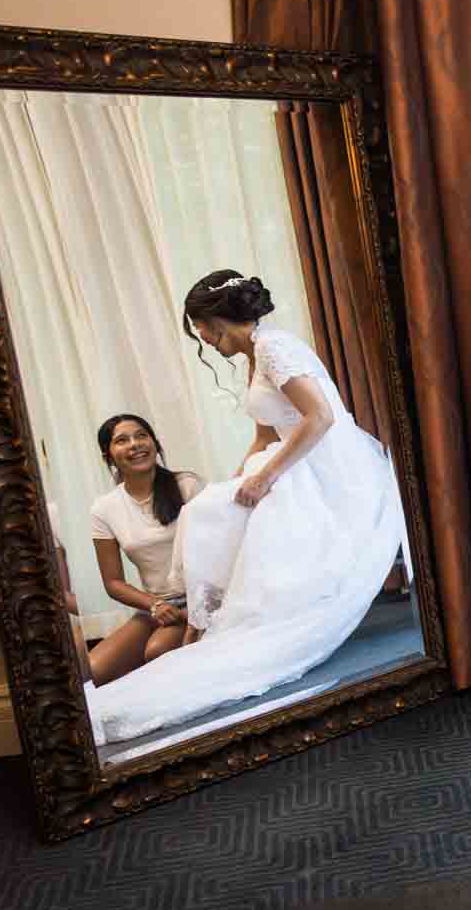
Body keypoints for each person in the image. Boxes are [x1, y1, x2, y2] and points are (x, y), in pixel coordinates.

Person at [86, 272, 408, 743]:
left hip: (326, 468)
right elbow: (263, 430)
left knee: (217, 513)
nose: (206, 342)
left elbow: (320, 417)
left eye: (203, 331)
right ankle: (201, 622)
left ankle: (212, 626)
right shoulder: (255, 357)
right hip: (287, 459)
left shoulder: (277, 348)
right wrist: (239, 479)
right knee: (206, 509)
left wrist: (265, 476)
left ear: (216, 322)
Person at [84, 415, 205, 684]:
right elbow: (113, 582)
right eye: (122, 440)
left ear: (154, 442)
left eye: (141, 435)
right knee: (95, 670)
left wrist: (195, 610)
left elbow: (217, 553)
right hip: (156, 605)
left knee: (157, 650)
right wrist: (154, 605)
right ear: (109, 455)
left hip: (200, 597)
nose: (135, 444)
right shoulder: (103, 509)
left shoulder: (187, 485)